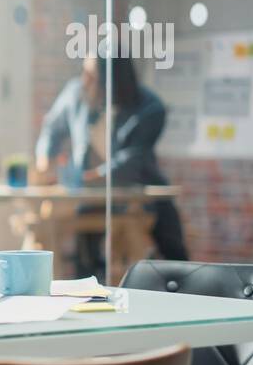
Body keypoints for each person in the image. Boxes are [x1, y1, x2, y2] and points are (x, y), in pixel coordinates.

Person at [33, 54, 189, 276]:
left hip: (136, 190)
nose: (84, 81)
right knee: (83, 254)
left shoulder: (151, 108)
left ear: (112, 81)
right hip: (86, 196)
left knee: (171, 243)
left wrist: (88, 178)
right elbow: (51, 128)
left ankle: (178, 286)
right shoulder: (76, 92)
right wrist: (45, 159)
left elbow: (133, 162)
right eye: (84, 73)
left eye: (92, 76)